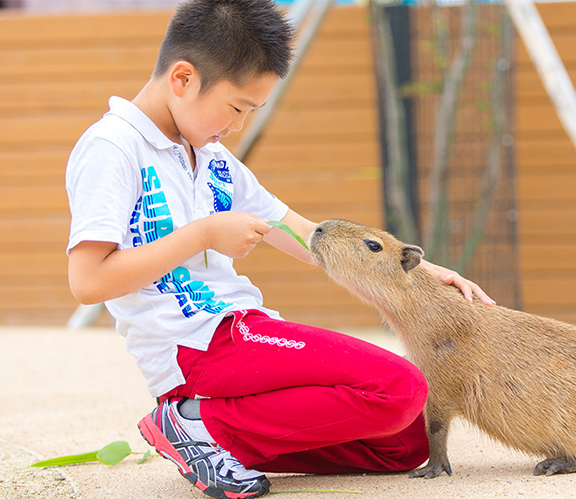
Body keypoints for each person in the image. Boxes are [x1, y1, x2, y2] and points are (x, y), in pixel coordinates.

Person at [65, 1, 494, 498]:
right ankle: (194, 423)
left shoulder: (211, 155)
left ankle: (220, 442)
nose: (238, 125)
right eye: (237, 108)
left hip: (244, 329)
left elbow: (309, 238)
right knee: (400, 389)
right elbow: (88, 282)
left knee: (406, 442)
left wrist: (422, 274)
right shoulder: (112, 148)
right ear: (182, 78)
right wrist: (203, 234)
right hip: (196, 344)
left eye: (251, 113)